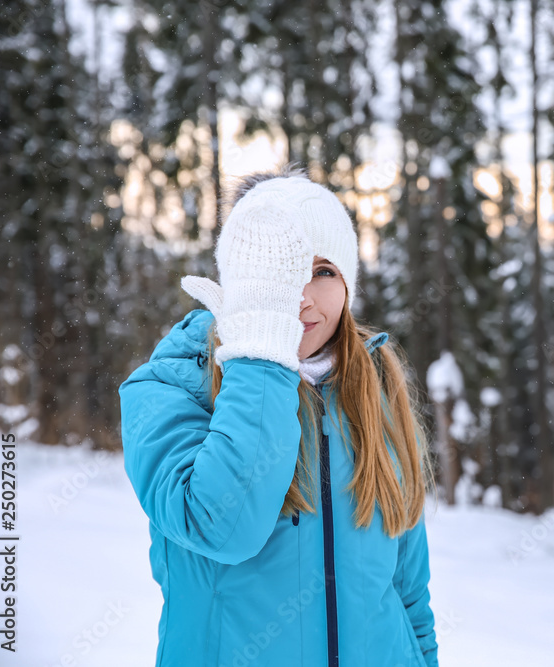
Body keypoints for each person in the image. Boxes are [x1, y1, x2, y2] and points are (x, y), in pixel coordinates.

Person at [119, 165, 439, 667]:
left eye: (324, 271)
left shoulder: (376, 390)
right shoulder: (171, 387)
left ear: (348, 286)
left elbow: (407, 590)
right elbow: (224, 528)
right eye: (280, 271)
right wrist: (260, 356)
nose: (303, 296)